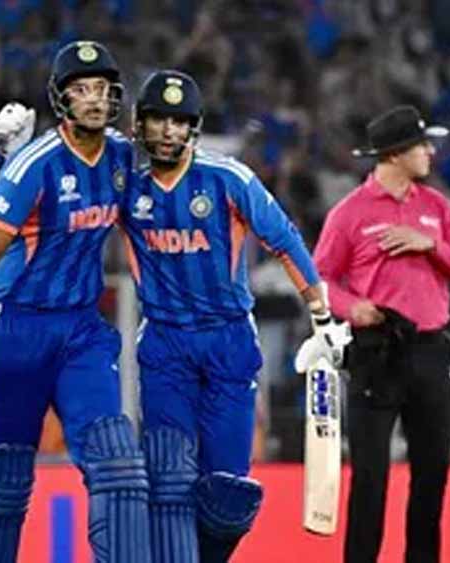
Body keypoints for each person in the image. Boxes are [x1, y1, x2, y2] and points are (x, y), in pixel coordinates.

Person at [0, 41, 150, 563]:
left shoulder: (120, 156)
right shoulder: (33, 167)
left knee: (119, 467)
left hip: (82, 331)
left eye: (102, 89)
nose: (94, 99)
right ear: (62, 99)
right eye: (81, 90)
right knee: (3, 487)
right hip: (15, 332)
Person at [121, 69, 349, 563]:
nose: (168, 130)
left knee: (228, 494)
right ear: (140, 124)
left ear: (194, 127)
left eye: (179, 121)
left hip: (228, 343)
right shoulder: (125, 188)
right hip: (165, 346)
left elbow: (285, 240)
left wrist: (322, 318)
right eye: (158, 119)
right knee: (168, 480)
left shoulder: (227, 179)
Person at [312, 105, 450, 563]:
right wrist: (352, 307)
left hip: (429, 349)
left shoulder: (437, 207)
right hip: (375, 350)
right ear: (394, 154)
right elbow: (318, 278)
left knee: (433, 471)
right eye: (421, 145)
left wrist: (431, 245)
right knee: (370, 476)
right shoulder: (350, 213)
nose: (430, 152)